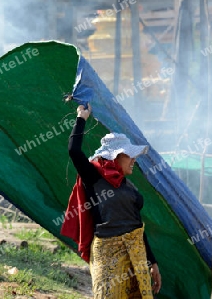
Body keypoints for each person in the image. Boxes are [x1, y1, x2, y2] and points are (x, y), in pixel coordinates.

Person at [61, 103, 161, 298]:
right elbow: (74, 151)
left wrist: (152, 262)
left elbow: (137, 227)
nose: (134, 159)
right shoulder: (94, 177)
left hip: (136, 252)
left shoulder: (129, 186)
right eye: (129, 155)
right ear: (115, 156)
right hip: (107, 252)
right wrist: (81, 118)